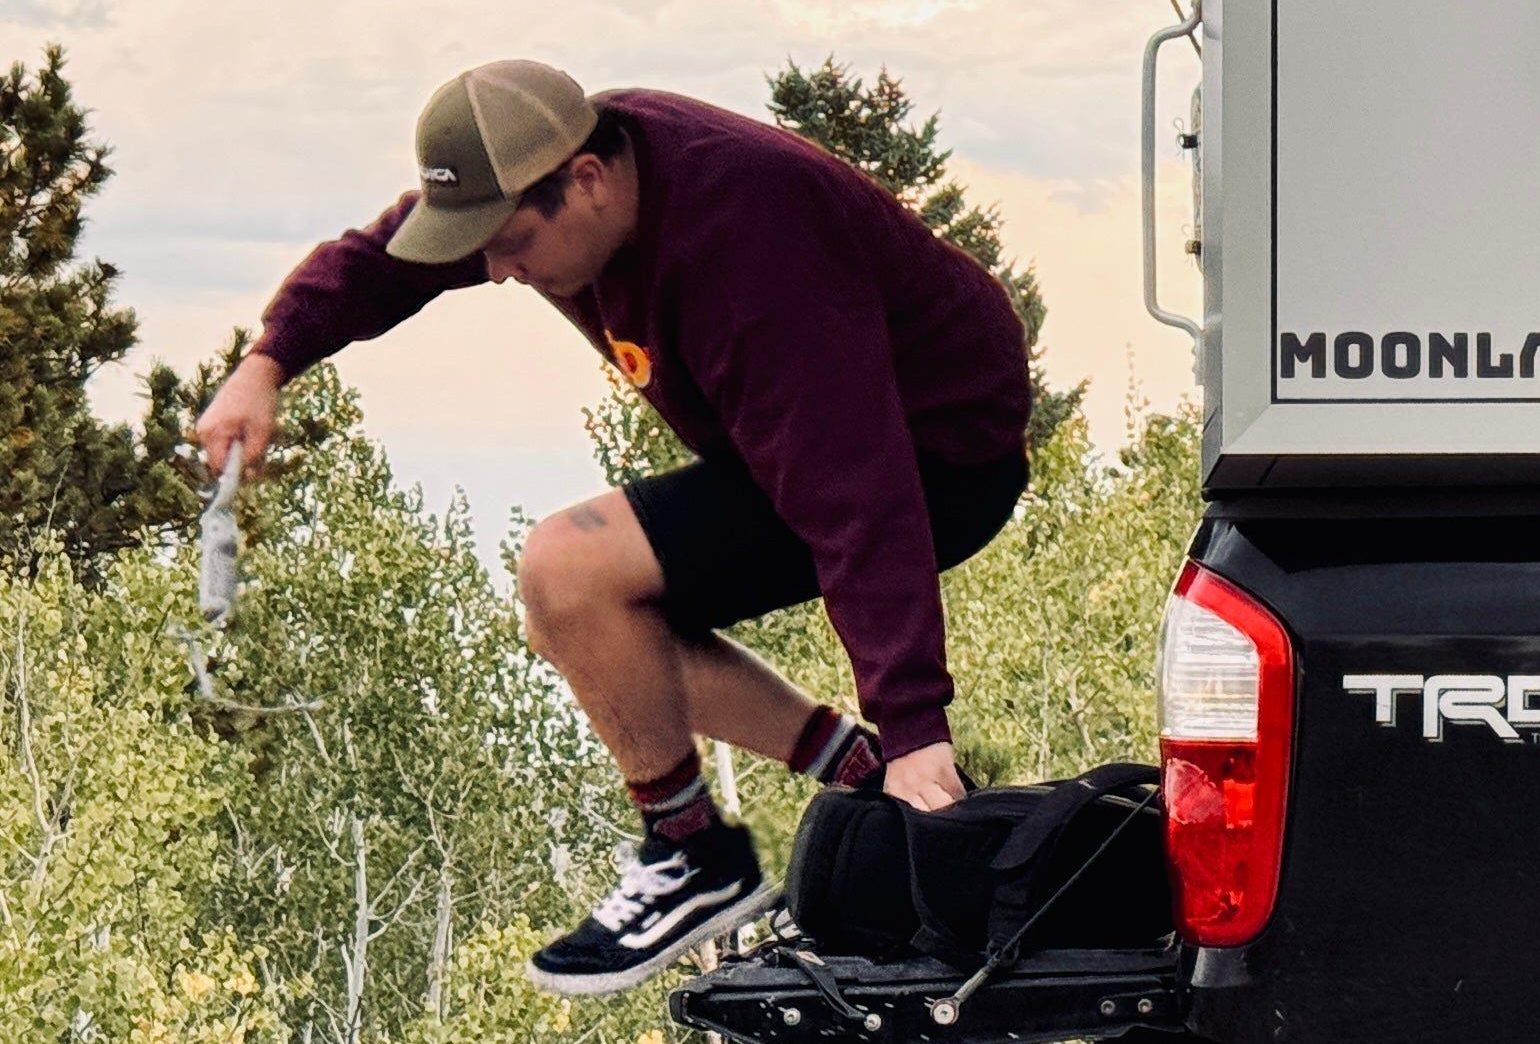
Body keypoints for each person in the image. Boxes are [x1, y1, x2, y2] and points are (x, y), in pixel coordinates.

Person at [195, 60, 1035, 993]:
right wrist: (268, 362)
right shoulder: (556, 171)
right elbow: (387, 260)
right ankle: (855, 771)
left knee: (569, 569)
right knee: (581, 623)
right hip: (798, 449)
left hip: (934, 459)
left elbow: (859, 494)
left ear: (587, 180)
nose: (501, 272)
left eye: (512, 244)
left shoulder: (750, 245)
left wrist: (918, 728)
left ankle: (696, 855)